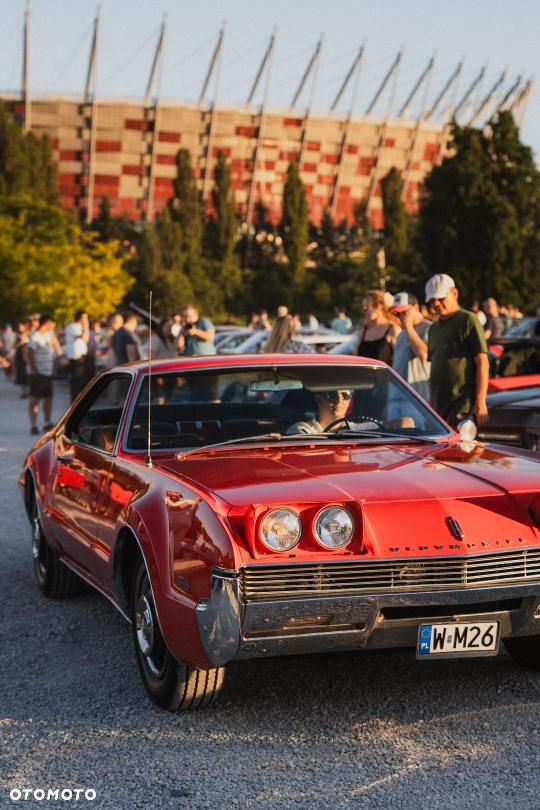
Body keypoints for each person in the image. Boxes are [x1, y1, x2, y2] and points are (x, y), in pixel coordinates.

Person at [426, 273, 489, 427]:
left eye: (441, 299)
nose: (436, 304)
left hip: (462, 406)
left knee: (463, 450)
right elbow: (433, 364)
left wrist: (480, 401)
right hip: (438, 408)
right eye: (432, 300)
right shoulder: (433, 328)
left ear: (454, 293)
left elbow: (482, 362)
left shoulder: (468, 320)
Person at [390, 292, 431, 400]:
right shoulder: (401, 335)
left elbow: (424, 355)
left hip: (418, 398)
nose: (401, 317)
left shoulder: (429, 329)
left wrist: (409, 329)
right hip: (396, 396)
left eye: (404, 312)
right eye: (397, 314)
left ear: (416, 308)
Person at [27, 315, 62, 435]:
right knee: (35, 399)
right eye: (52, 324)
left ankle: (47, 422)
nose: (53, 326)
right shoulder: (35, 337)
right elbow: (30, 353)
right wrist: (35, 370)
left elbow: (57, 347)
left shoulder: (48, 335)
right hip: (38, 373)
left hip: (47, 373)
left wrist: (52, 334)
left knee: (48, 398)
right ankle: (33, 425)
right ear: (47, 323)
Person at [356, 290, 401, 363]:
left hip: (383, 374)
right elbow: (356, 359)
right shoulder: (363, 331)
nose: (364, 310)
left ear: (378, 306)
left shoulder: (393, 330)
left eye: (367, 306)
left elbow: (399, 361)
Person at [65, 309, 91, 401]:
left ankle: (79, 401)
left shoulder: (79, 327)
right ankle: (74, 403)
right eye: (85, 318)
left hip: (82, 358)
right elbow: (84, 338)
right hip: (76, 359)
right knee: (77, 384)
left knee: (82, 383)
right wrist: (86, 325)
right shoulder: (74, 327)